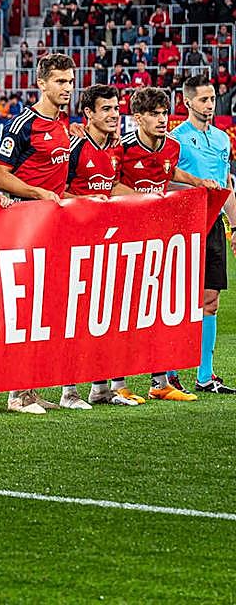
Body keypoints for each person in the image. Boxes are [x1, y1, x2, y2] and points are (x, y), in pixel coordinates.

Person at [113, 87, 222, 402]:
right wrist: (143, 200)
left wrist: (196, 182)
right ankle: (117, 385)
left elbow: (168, 171)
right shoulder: (123, 148)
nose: (162, 120)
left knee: (158, 310)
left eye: (164, 113)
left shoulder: (171, 146)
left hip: (159, 238)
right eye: (154, 114)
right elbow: (110, 183)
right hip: (127, 239)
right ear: (138, 118)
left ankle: (160, 382)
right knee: (126, 313)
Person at [0, 53, 78, 415]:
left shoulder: (62, 125)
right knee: (24, 309)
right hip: (25, 227)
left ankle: (31, 388)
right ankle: (16, 394)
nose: (67, 88)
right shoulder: (22, 125)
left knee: (47, 310)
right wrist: (38, 193)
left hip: (53, 227)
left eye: (71, 82)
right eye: (60, 81)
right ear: (41, 83)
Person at [62, 85, 144, 407]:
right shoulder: (74, 147)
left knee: (105, 314)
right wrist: (86, 202)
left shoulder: (115, 148)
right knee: (75, 317)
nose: (113, 115)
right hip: (74, 240)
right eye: (106, 109)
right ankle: (69, 391)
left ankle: (101, 388)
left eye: (116, 108)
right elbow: (57, 191)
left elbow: (113, 186)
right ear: (89, 114)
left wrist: (147, 199)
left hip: (106, 240)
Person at [173, 75, 236, 396]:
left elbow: (226, 186)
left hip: (213, 227)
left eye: (212, 100)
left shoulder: (223, 139)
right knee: (177, 302)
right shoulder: (175, 139)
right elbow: (166, 182)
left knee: (210, 300)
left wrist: (234, 227)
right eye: (203, 100)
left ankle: (205, 375)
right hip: (182, 225)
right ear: (187, 103)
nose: (210, 106)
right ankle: (168, 375)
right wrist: (194, 185)